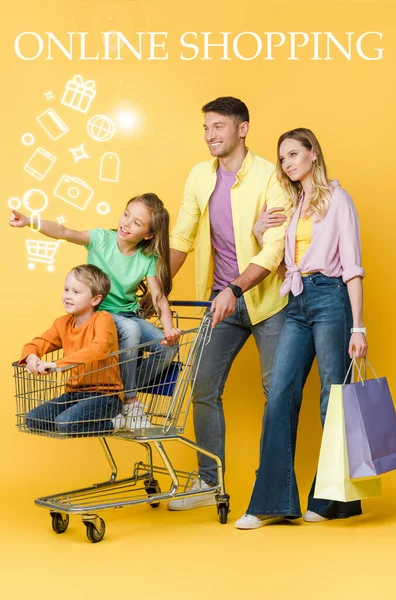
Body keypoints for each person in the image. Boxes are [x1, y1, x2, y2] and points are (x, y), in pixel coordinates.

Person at [235, 127, 367, 529]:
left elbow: (353, 268)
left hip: (331, 299)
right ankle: (271, 501)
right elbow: (285, 266)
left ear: (313, 154)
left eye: (294, 154)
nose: (288, 163)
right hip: (296, 301)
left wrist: (358, 328)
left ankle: (332, 500)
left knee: (333, 397)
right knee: (280, 394)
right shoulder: (294, 205)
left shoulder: (338, 200)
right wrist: (260, 235)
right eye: (283, 158)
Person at [167, 97, 292, 510]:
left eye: (218, 126)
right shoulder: (200, 176)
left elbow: (274, 251)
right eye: (206, 128)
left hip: (267, 302)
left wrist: (234, 290)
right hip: (219, 303)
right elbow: (182, 238)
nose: (210, 135)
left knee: (277, 392)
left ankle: (274, 487)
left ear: (242, 129)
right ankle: (207, 484)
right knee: (202, 388)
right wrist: (156, 291)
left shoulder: (272, 176)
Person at [10, 193, 181, 430]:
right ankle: (130, 400)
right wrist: (30, 221)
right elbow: (63, 231)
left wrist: (170, 329)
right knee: (130, 330)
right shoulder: (102, 239)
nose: (126, 223)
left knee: (169, 346)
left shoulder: (146, 257)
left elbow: (159, 297)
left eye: (137, 223)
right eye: (126, 214)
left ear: (149, 234)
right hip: (102, 314)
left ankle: (121, 390)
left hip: (127, 314)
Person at [21, 264, 124, 436]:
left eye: (76, 292)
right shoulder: (62, 323)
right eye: (66, 289)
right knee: (34, 420)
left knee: (65, 424)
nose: (68, 296)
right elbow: (37, 343)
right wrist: (32, 357)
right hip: (74, 395)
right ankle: (72, 421)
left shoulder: (102, 319)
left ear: (95, 300)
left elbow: (99, 348)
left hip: (105, 396)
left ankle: (114, 423)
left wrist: (57, 364)